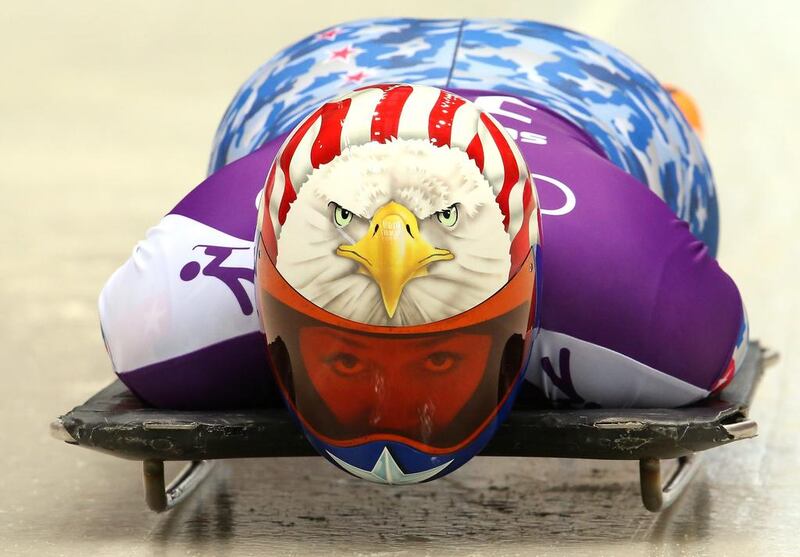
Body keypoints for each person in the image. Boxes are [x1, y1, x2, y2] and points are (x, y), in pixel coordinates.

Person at [98, 19, 747, 482]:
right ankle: (672, 111)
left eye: (439, 360)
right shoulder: (664, 323)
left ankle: (673, 113)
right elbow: (724, 339)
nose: (389, 419)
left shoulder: (162, 320)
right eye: (345, 362)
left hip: (325, 66)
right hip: (581, 78)